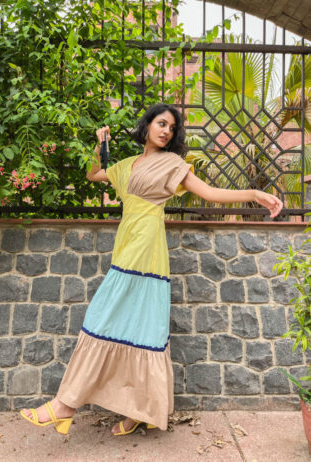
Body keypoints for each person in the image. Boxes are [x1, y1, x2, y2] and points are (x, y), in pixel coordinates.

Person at [20, 103, 283, 436]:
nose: (166, 131)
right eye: (161, 123)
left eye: (172, 128)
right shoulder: (128, 165)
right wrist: (98, 145)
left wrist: (253, 193)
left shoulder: (172, 164)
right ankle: (139, 411)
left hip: (146, 252)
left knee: (103, 318)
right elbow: (93, 174)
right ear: (146, 126)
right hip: (126, 248)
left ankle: (64, 406)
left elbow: (210, 192)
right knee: (137, 328)